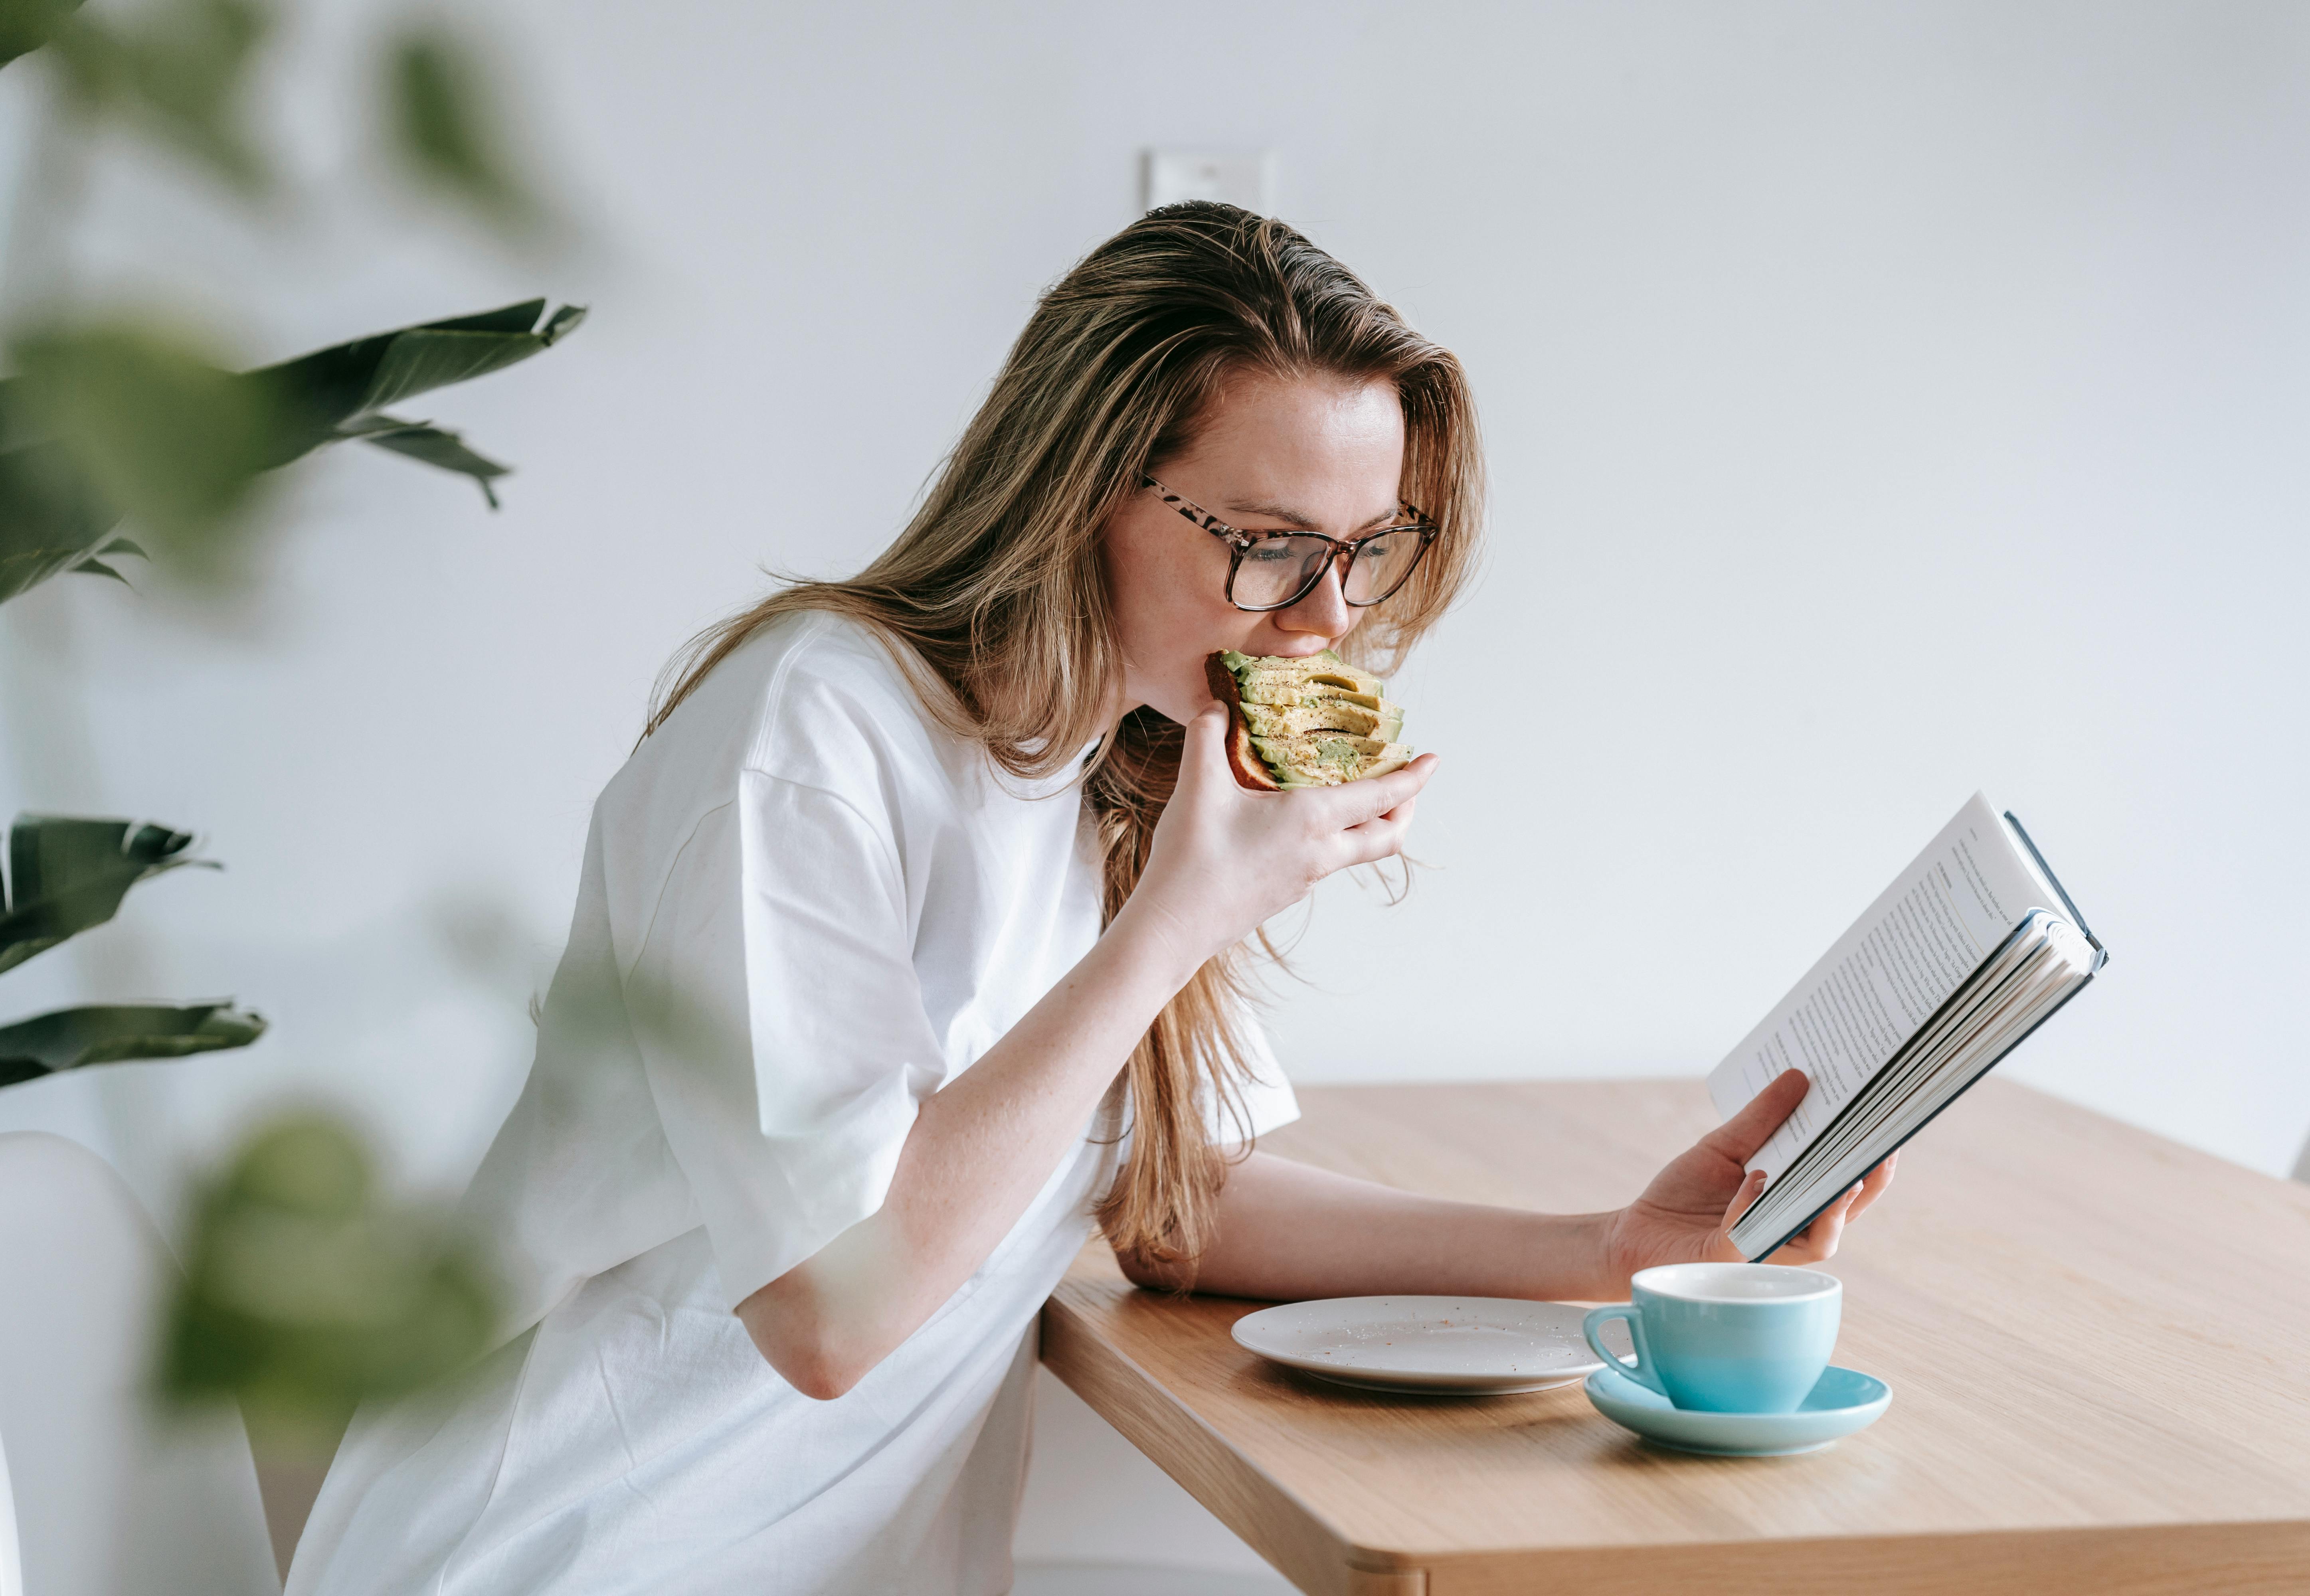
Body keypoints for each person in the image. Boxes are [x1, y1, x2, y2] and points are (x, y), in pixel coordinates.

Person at [289, 203, 1895, 1596]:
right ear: (1085, 493)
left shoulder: (1119, 762)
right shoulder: (812, 735)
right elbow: (833, 1317)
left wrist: (1609, 1247)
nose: (1326, 618)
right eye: (1267, 546)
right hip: (578, 1555)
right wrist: (1176, 926)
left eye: (1367, 549)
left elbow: (1173, 1205)